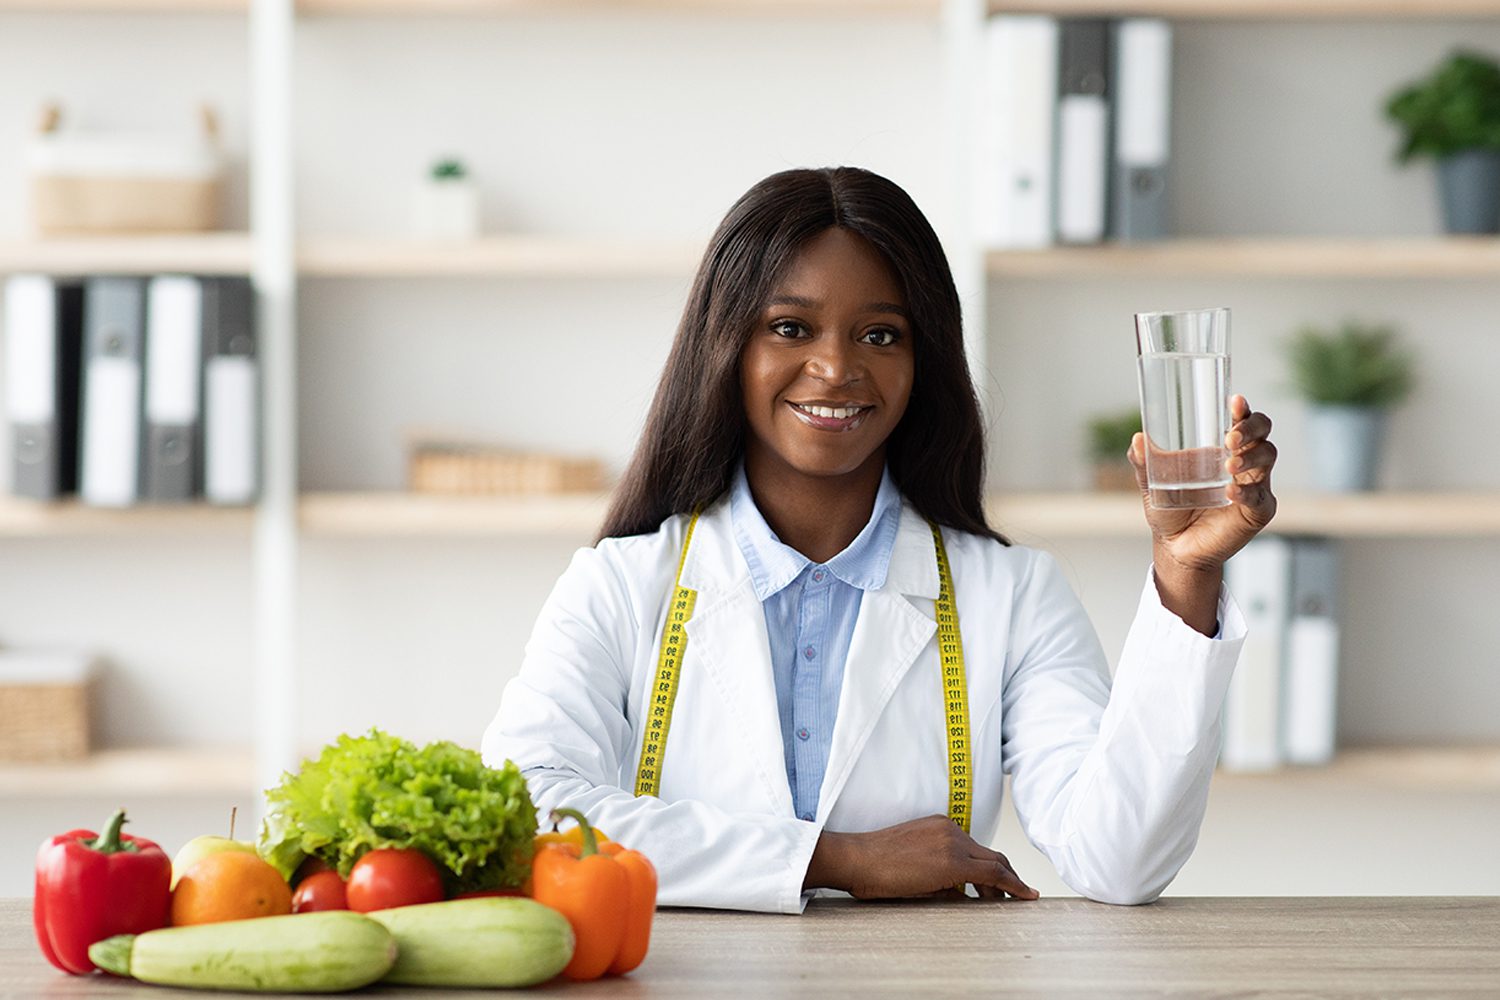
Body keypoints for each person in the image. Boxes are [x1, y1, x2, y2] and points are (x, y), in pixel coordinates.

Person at [481, 166, 1277, 914]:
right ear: (726, 348)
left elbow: (1119, 859)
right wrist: (838, 860)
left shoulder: (1014, 594)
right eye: (790, 327)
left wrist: (1185, 576)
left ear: (923, 360)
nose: (835, 368)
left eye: (882, 336)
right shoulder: (620, 583)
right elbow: (530, 811)